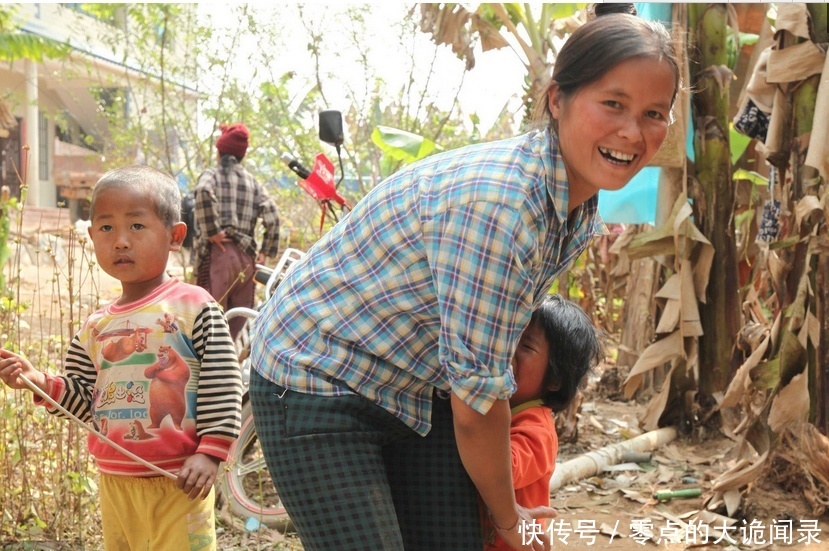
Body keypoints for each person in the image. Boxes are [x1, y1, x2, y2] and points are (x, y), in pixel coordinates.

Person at [248, 9, 679, 551]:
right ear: (556, 99)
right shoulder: (502, 205)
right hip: (318, 373)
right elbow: (477, 404)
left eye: (653, 113)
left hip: (415, 382)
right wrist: (508, 520)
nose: (632, 132)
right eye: (613, 103)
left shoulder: (578, 207)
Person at [0, 165, 243, 550]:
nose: (121, 242)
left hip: (178, 481)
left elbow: (224, 379)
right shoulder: (95, 327)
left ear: (175, 236)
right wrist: (40, 382)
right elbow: (85, 402)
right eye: (107, 228)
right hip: (115, 481)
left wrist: (212, 452)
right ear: (92, 236)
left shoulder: (193, 306)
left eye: (137, 226)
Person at [484, 295, 604, 550]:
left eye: (525, 346)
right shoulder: (513, 410)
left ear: (555, 380)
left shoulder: (537, 429)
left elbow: (499, 469)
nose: (509, 352)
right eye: (510, 338)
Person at [193, 122, 281, 340]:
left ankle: (210, 367)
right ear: (241, 156)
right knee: (236, 318)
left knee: (211, 320)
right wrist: (265, 251)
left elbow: (203, 191)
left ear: (219, 152)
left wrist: (212, 231)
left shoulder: (211, 176)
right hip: (245, 259)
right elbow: (272, 213)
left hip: (218, 253)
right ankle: (230, 362)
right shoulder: (253, 182)